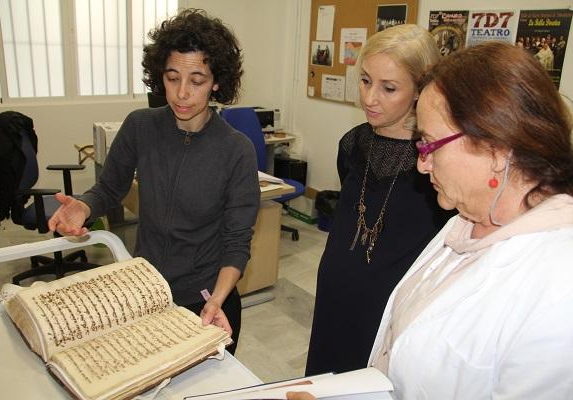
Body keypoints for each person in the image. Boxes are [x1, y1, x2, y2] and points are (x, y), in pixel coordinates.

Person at [290, 41, 573, 400]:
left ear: (496, 150)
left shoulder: (560, 290)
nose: (421, 163)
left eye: (430, 144)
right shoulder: (464, 223)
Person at [47, 9, 260, 354]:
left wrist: (218, 299)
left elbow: (237, 241)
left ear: (217, 81)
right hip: (146, 293)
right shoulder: (140, 126)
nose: (181, 93)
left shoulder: (236, 150)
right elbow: (110, 188)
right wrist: (84, 205)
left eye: (197, 80)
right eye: (172, 77)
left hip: (205, 302)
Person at [305, 24, 453, 376]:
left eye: (389, 88)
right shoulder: (352, 144)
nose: (370, 98)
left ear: (419, 90)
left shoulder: (434, 162)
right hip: (334, 298)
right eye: (365, 80)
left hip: (388, 312)